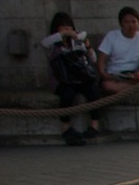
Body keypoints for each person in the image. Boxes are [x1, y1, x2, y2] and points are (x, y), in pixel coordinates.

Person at [40, 13, 103, 145]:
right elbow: (44, 43)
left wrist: (87, 46)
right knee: (67, 94)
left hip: (80, 78)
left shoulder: (77, 42)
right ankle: (65, 127)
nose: (67, 31)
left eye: (69, 27)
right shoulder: (53, 45)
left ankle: (94, 125)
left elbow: (93, 59)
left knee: (93, 91)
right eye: (63, 28)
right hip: (62, 80)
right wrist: (63, 35)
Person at [96, 6, 139, 96]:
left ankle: (132, 87)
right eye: (127, 22)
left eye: (134, 22)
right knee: (107, 85)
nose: (131, 25)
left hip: (137, 75)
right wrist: (104, 74)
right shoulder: (111, 36)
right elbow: (101, 60)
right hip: (117, 75)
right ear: (121, 24)